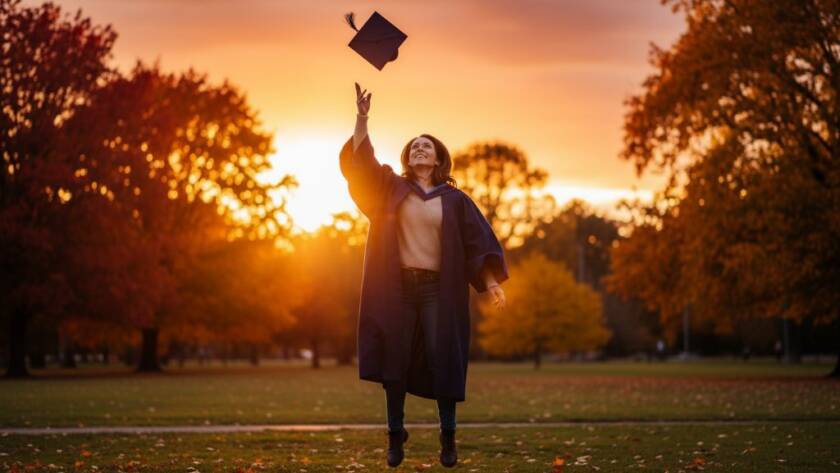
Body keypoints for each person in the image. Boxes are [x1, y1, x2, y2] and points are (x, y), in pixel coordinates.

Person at [339, 83, 508, 468]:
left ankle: (448, 436)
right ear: (408, 157)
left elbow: (477, 243)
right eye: (413, 145)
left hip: (438, 291)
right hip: (397, 289)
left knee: (443, 357)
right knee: (393, 361)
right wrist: (362, 118)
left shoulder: (455, 200)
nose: (419, 148)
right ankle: (394, 435)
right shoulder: (391, 189)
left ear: (437, 159)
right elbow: (361, 165)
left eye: (426, 146)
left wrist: (492, 282)